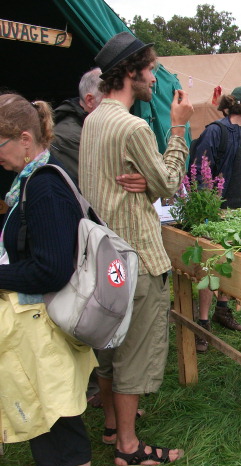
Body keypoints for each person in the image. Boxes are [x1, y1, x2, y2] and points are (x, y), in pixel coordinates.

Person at [79, 31, 193, 466]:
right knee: (133, 354)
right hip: (138, 258)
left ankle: (110, 425)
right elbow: (170, 184)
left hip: (105, 257)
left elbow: (116, 183)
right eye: (150, 70)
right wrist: (179, 125)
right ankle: (128, 447)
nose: (153, 78)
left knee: (108, 349)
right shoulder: (133, 126)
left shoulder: (95, 120)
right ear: (129, 73)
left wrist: (144, 185)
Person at [0, 94, 95, 466]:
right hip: (41, 325)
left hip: (46, 328)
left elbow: (51, 270)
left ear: (25, 139)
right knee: (50, 421)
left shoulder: (43, 188)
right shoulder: (32, 180)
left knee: (61, 426)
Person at [52, 67, 148, 410]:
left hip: (96, 242)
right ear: (90, 100)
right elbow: (89, 188)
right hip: (94, 244)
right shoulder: (76, 132)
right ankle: (123, 432)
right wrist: (150, 180)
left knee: (105, 326)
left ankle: (110, 416)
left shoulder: (86, 124)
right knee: (107, 326)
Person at [191, 86, 241, 346]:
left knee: (230, 263)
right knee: (209, 267)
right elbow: (200, 173)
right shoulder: (216, 131)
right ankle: (202, 324)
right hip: (216, 211)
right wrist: (211, 210)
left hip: (239, 209)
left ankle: (222, 310)